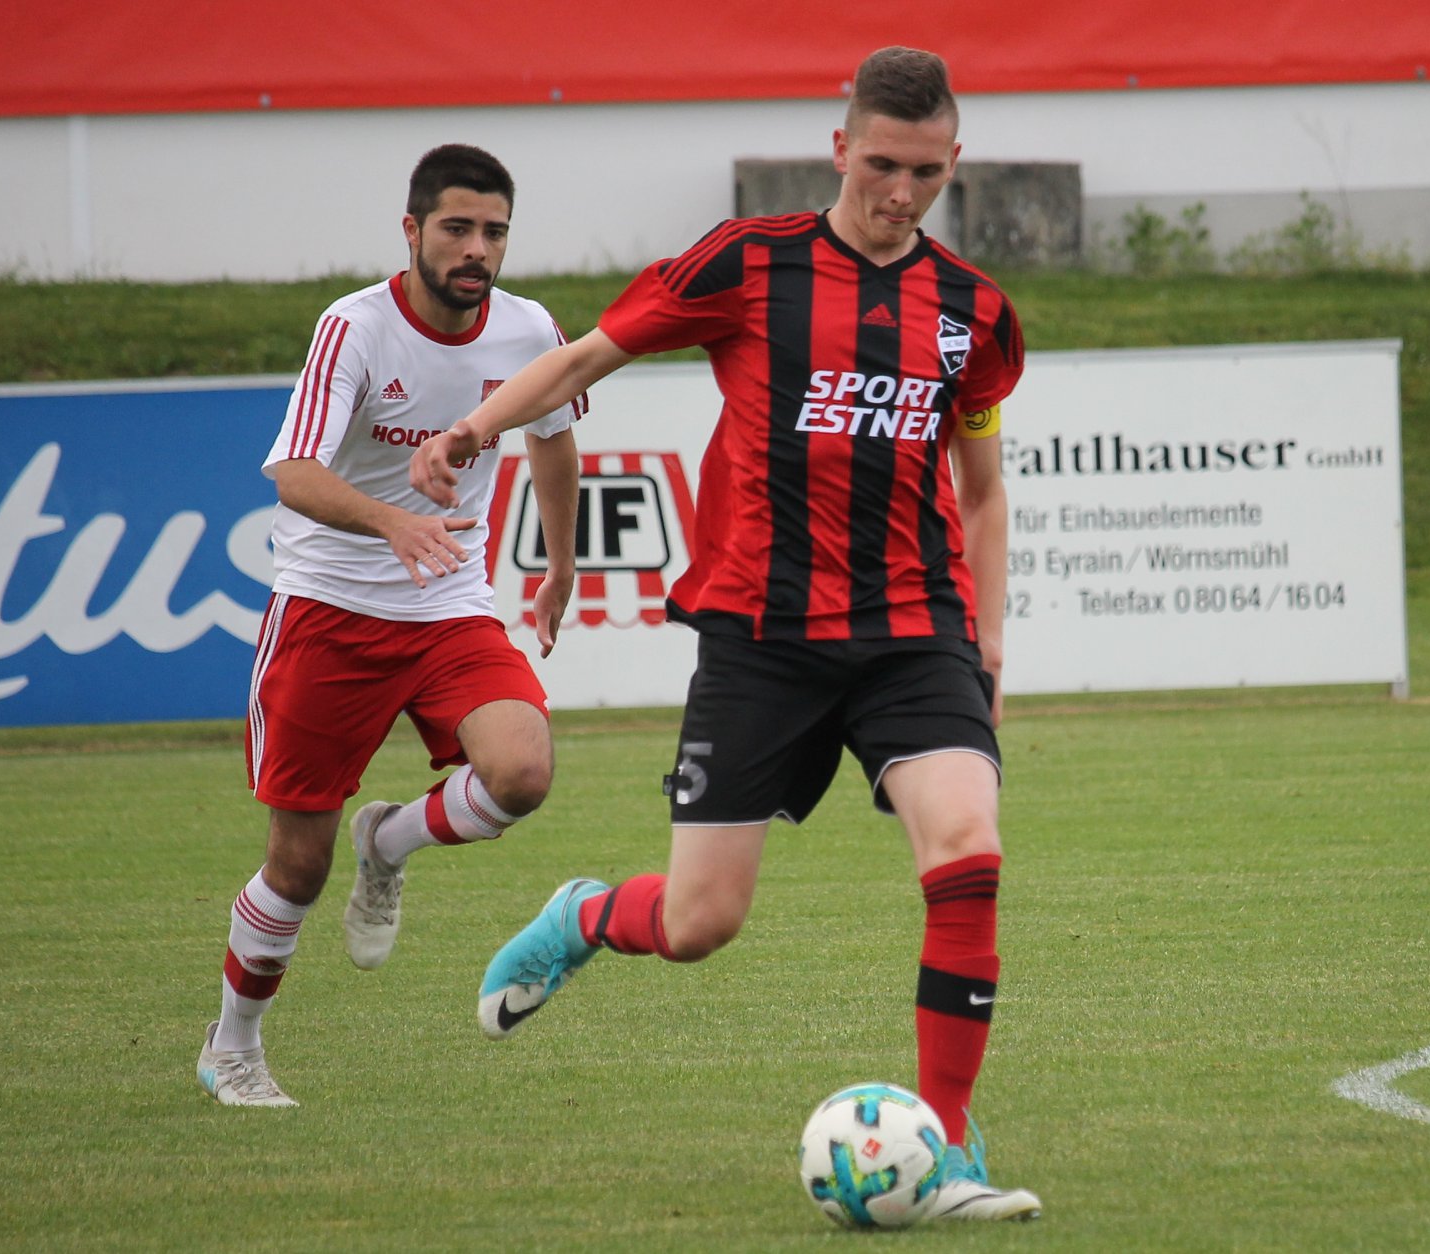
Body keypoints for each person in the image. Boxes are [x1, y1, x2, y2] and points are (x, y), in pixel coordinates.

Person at [409, 48, 1039, 1220]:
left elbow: (985, 488)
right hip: (763, 638)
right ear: (841, 148)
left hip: (916, 632)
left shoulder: (975, 314)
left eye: (926, 172)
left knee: (969, 852)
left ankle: (948, 1145)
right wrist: (474, 428)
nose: (900, 192)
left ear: (955, 163)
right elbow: (592, 353)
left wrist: (989, 638)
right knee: (701, 923)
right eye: (881, 165)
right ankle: (589, 916)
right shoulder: (750, 265)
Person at [197, 143, 583, 1108]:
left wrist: (559, 565)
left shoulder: (530, 328)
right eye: (456, 228)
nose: (475, 249)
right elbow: (293, 474)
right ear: (411, 231)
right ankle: (232, 1045)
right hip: (329, 611)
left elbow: (553, 438)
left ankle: (393, 844)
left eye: (493, 231)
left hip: (448, 605)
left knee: (521, 771)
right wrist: (393, 522)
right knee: (296, 864)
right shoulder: (355, 327)